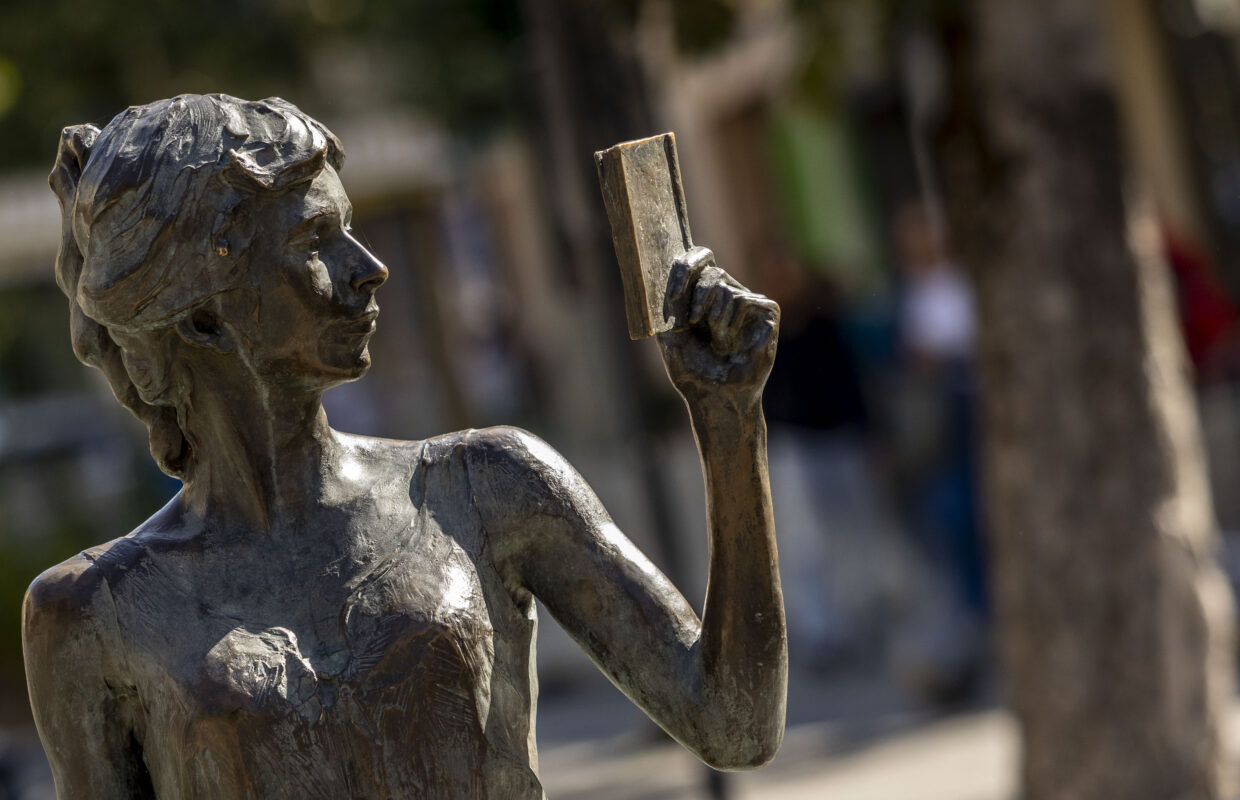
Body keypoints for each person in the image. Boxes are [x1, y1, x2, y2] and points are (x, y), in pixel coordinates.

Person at [21, 95, 785, 799]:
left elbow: (734, 722)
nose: (369, 267)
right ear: (203, 318)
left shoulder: (486, 485)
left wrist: (729, 421)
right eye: (316, 239)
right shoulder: (94, 614)